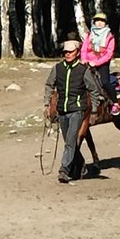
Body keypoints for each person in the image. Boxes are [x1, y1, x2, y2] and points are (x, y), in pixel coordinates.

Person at [44, 37, 91, 183]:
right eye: (65, 52)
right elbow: (49, 85)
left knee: (70, 141)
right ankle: (82, 165)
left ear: (77, 52)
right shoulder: (57, 68)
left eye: (71, 51)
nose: (68, 54)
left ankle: (64, 170)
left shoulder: (83, 70)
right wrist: (47, 104)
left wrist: (94, 108)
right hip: (62, 111)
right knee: (68, 141)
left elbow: (93, 89)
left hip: (77, 110)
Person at [81, 10, 119, 115]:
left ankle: (115, 103)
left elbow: (108, 54)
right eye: (97, 21)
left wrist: (96, 63)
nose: (99, 23)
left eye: (102, 21)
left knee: (104, 82)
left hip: (102, 63)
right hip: (87, 62)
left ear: (105, 23)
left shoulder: (109, 37)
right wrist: (84, 59)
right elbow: (84, 49)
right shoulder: (89, 35)